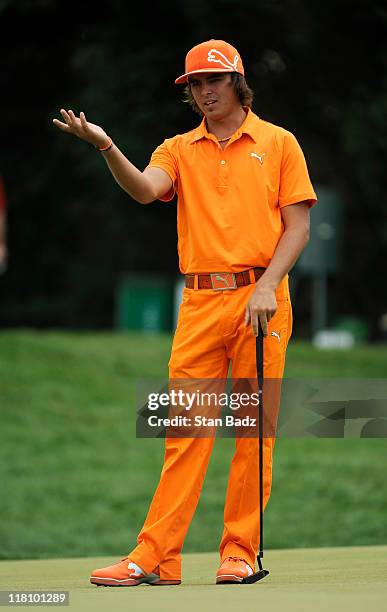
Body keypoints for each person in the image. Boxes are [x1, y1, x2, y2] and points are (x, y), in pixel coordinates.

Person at [53, 39, 316, 586]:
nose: (204, 92)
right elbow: (148, 190)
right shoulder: (178, 148)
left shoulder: (279, 142)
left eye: (213, 81)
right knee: (184, 432)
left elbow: (299, 227)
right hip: (199, 303)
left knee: (252, 432)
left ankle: (239, 552)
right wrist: (107, 148)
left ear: (238, 83)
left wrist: (269, 284)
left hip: (261, 303)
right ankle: (157, 557)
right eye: (195, 84)